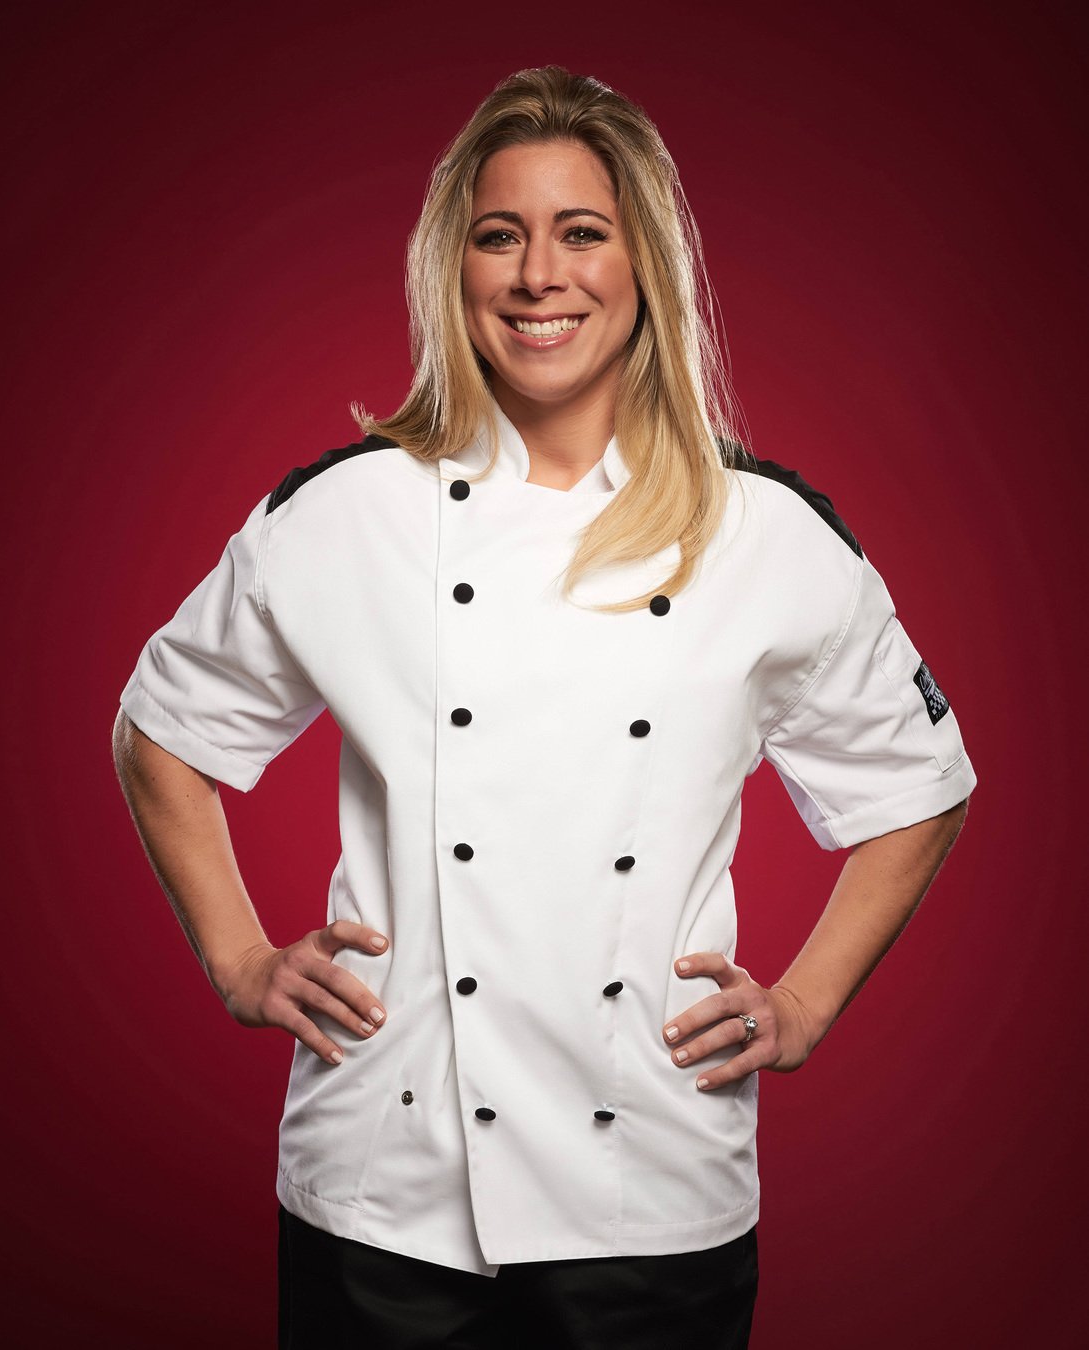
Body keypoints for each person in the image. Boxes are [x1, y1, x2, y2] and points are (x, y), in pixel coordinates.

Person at [112, 65, 977, 1350]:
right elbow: (162, 732)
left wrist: (801, 1004)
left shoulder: (766, 533)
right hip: (383, 1190)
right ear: (449, 268)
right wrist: (238, 960)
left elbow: (916, 786)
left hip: (652, 1191)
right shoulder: (347, 515)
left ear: (645, 266)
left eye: (581, 233)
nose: (537, 277)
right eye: (497, 237)